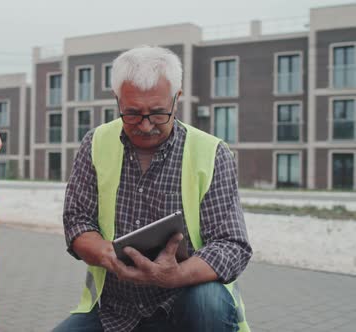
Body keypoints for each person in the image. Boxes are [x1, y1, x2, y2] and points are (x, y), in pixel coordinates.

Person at [53, 46, 252, 332]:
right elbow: (76, 220)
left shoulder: (211, 152)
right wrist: (106, 253)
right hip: (116, 310)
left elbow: (232, 246)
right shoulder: (95, 144)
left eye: (158, 113)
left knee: (208, 301)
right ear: (117, 100)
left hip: (185, 303)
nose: (146, 126)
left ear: (177, 98)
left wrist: (176, 275)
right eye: (132, 114)